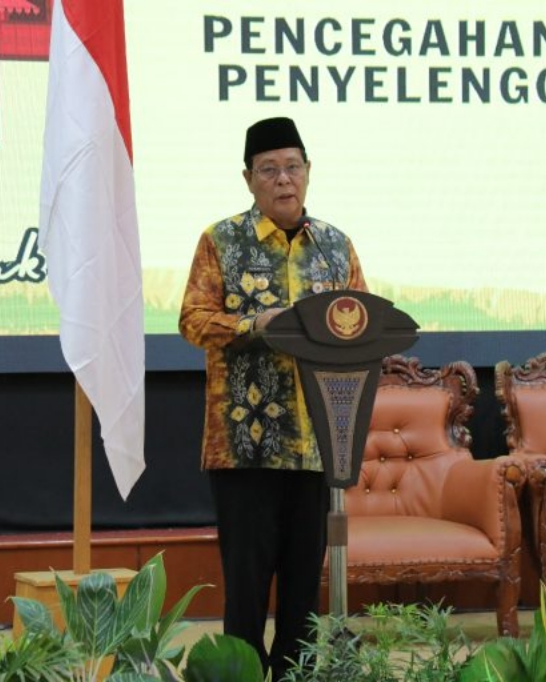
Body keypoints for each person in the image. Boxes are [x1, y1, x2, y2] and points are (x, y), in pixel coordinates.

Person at [179, 116, 368, 679]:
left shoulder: (335, 246)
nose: (283, 179)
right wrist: (253, 324)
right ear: (248, 179)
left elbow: (361, 320)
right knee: (246, 589)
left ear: (308, 172)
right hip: (245, 447)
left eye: (292, 167)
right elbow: (192, 320)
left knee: (302, 594)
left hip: (315, 444)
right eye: (269, 170)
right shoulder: (221, 240)